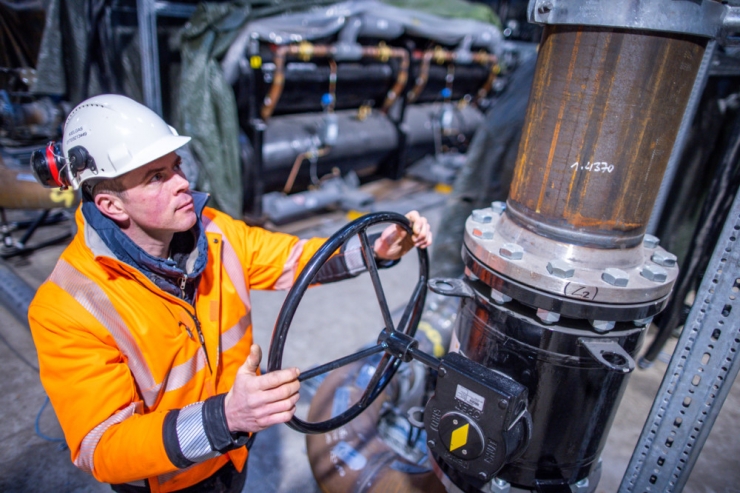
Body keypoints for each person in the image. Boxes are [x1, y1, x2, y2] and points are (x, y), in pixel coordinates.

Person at [27, 94, 432, 493]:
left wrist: (374, 249)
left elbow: (293, 260)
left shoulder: (214, 232)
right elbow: (103, 446)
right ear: (111, 205)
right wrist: (226, 417)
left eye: (176, 166)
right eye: (157, 177)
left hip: (233, 451)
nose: (184, 183)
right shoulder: (67, 307)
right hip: (173, 480)